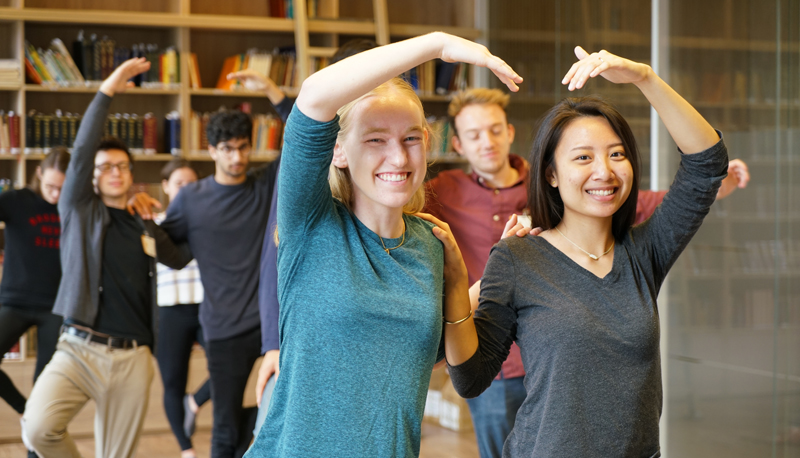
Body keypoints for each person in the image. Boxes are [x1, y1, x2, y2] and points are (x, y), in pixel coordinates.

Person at [431, 46, 729, 457]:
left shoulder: (644, 252)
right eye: (583, 158)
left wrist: (646, 78)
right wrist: (463, 285)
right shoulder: (517, 259)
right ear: (551, 174)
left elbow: (707, 163)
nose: (604, 172)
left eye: (617, 154)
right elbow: (471, 378)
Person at [244, 32, 521, 458]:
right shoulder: (311, 224)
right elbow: (313, 96)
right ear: (338, 150)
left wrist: (495, 272)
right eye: (375, 139)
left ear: (427, 145)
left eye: (410, 138)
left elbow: (415, 353)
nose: (398, 157)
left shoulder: (429, 243)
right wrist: (438, 45)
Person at [21, 58, 191, 458]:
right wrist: (108, 89)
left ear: (132, 173)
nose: (115, 172)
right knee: (38, 429)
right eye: (105, 167)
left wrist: (163, 215)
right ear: (92, 177)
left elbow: (179, 259)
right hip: (78, 348)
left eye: (122, 166)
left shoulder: (143, 220)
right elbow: (80, 154)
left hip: (132, 358)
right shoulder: (79, 208)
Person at [226, 38, 379, 433]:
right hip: (301, 341)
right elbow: (273, 256)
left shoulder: (388, 170)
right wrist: (273, 342)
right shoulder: (308, 170)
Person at [131, 109, 280, 458]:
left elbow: (310, 129)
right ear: (211, 150)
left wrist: (274, 93)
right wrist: (145, 221)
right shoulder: (192, 199)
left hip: (274, 324)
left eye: (244, 148)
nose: (237, 157)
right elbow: (174, 255)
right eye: (228, 148)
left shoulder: (264, 184)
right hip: (225, 328)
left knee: (284, 412)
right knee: (224, 430)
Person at [0, 148, 69, 457]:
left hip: (56, 306)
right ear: (39, 173)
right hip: (14, 301)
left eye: (62, 188)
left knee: (46, 385)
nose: (55, 195)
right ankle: (27, 412)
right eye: (51, 186)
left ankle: (35, 449)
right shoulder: (16, 201)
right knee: (35, 408)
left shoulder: (74, 206)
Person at [154, 158, 211, 458]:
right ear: (165, 187)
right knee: (172, 382)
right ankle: (186, 450)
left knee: (226, 366)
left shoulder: (210, 224)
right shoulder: (154, 224)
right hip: (169, 312)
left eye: (192, 184)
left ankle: (195, 402)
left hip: (206, 309)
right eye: (179, 184)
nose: (186, 190)